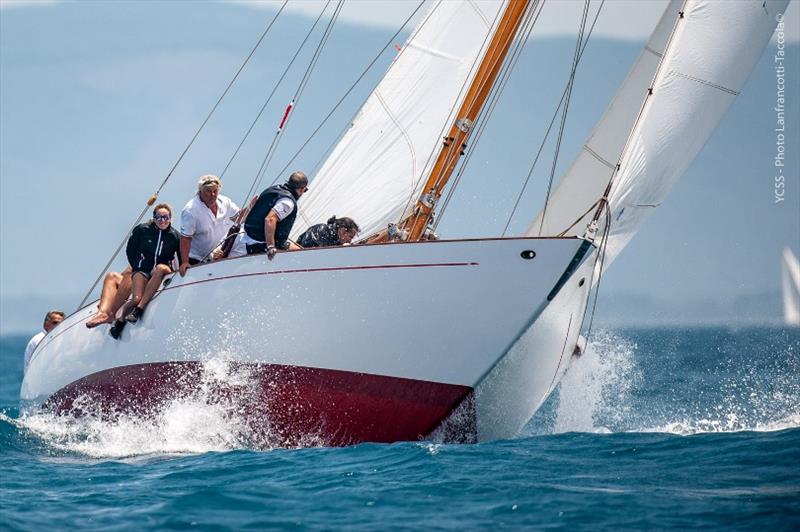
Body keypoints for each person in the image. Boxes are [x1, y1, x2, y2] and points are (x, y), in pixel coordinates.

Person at [109, 203, 182, 338]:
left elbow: (181, 256)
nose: (162, 220)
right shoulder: (142, 230)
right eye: (158, 217)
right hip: (142, 269)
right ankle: (120, 321)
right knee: (136, 298)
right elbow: (130, 250)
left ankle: (139, 310)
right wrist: (136, 266)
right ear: (154, 218)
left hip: (158, 271)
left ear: (170, 218)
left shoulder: (175, 236)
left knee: (161, 268)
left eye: (165, 217)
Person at [179, 174, 242, 277]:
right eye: (208, 191)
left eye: (215, 191)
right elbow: (185, 238)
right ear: (200, 192)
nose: (212, 194)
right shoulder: (191, 210)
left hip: (222, 255)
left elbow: (239, 218)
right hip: (199, 259)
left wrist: (252, 207)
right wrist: (184, 262)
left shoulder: (225, 201)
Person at [243, 171, 309, 260]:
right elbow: (270, 219)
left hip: (250, 242)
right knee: (304, 257)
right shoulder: (288, 202)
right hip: (261, 245)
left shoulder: (273, 190)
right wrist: (270, 247)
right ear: (302, 189)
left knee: (300, 250)